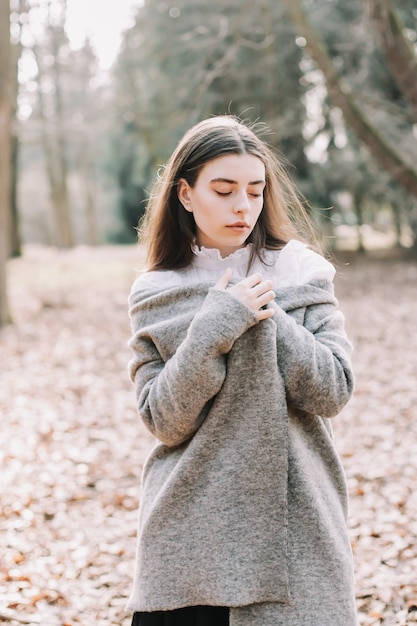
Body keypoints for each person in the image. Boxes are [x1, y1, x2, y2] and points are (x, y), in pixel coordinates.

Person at [126, 115, 358, 626]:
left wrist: (267, 317)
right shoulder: (157, 291)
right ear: (185, 194)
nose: (243, 206)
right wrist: (215, 325)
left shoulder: (302, 274)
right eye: (224, 190)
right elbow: (163, 419)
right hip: (190, 538)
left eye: (255, 190)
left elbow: (334, 390)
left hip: (294, 532)